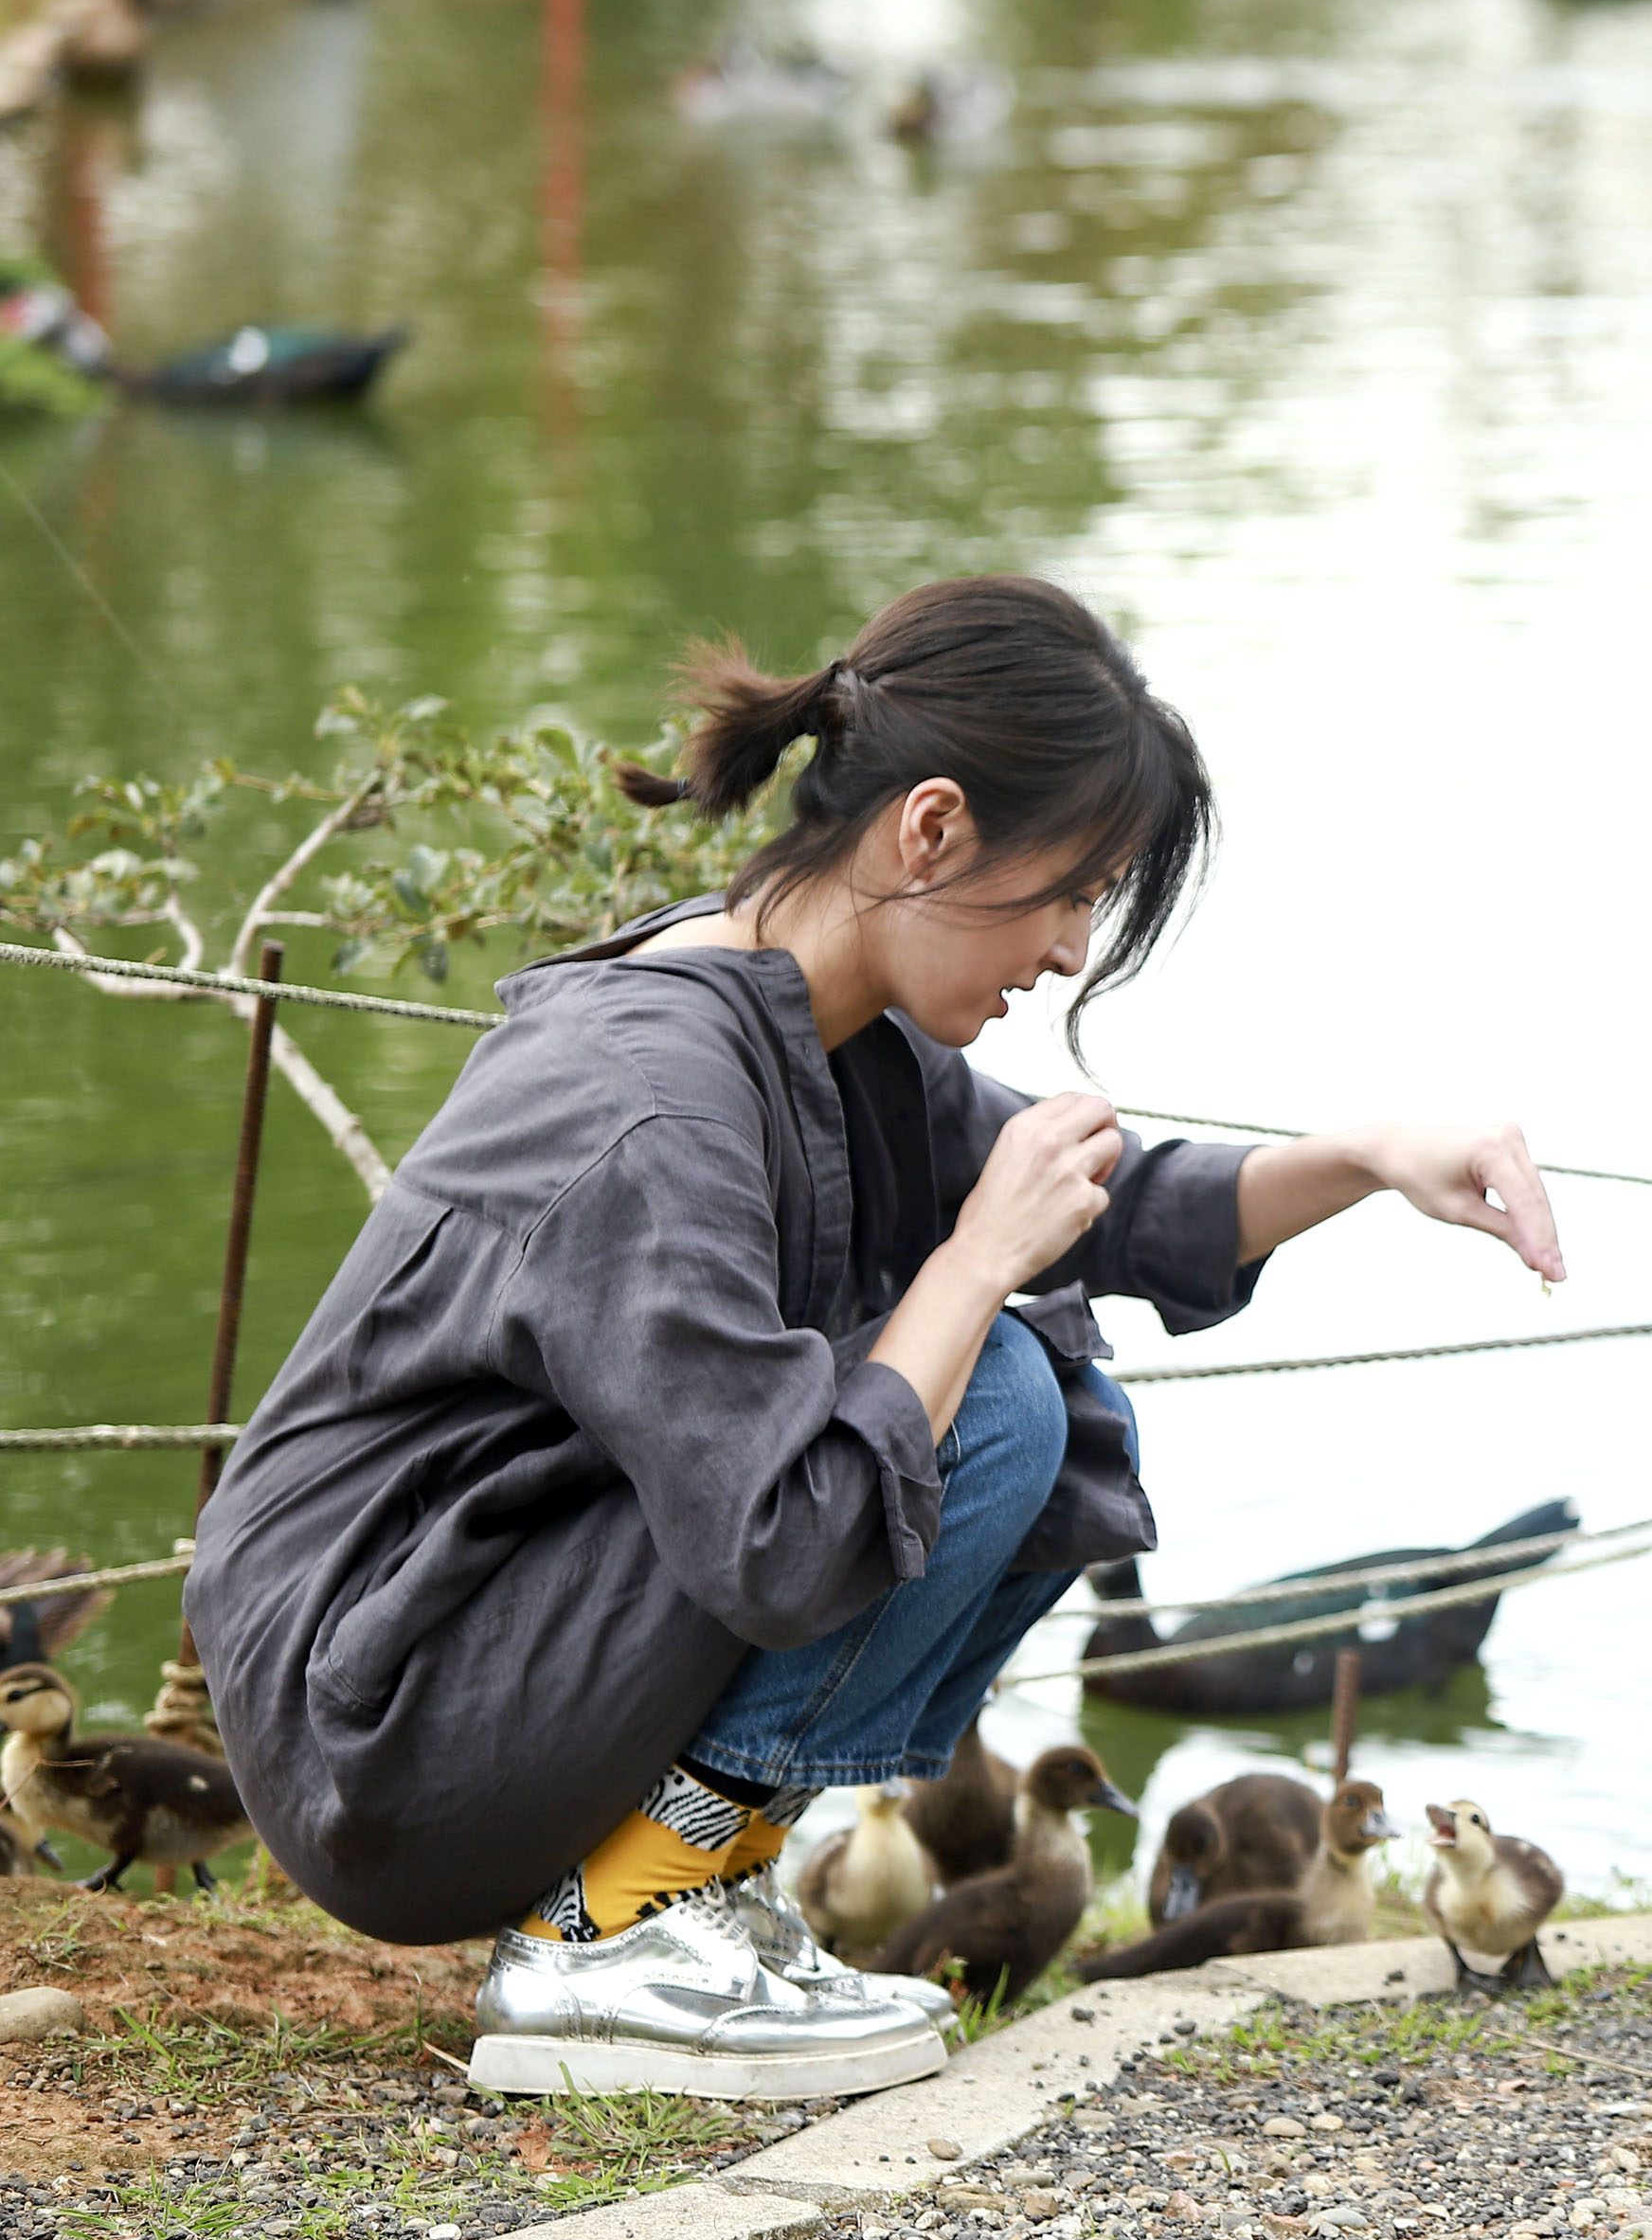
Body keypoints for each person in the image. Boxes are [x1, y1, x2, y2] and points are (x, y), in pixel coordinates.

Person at [189, 576, 1565, 2098]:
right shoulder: (648, 1093)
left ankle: (697, 1889)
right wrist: (976, 1259)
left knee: (1032, 1407)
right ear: (929, 830)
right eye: (1072, 890)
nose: (1069, 949)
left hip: (491, 1641)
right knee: (996, 1398)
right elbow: (778, 1533)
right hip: (382, 1717)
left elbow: (1122, 1208)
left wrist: (1370, 1158)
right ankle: (612, 1937)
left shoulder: (841, 1043)